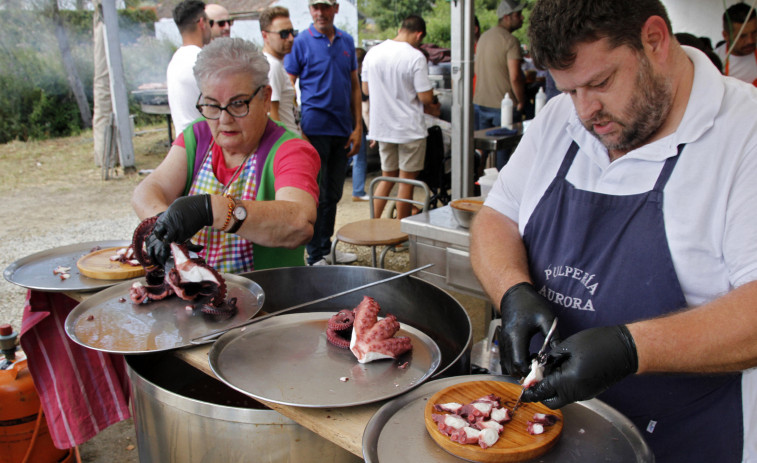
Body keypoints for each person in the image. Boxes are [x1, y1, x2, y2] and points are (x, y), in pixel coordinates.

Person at [470, 0, 757, 461]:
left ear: (655, 40)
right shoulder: (560, 120)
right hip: (547, 435)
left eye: (601, 83)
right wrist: (512, 291)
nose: (586, 111)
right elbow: (496, 217)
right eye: (569, 91)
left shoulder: (745, 133)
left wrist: (631, 348)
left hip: (683, 441)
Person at [133, 38, 319, 273]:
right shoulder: (198, 135)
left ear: (265, 98)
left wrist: (209, 209)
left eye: (238, 104)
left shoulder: (291, 150)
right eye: (212, 105)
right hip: (195, 296)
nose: (224, 119)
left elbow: (298, 224)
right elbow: (147, 190)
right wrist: (162, 224)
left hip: (267, 301)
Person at [284, 0, 362, 266]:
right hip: (313, 131)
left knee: (334, 194)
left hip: (342, 129)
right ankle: (314, 254)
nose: (320, 13)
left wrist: (358, 126)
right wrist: (296, 129)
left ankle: (325, 248)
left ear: (335, 8)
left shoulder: (347, 41)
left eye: (325, 7)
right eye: (315, 7)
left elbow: (354, 85)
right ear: (310, 10)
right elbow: (287, 88)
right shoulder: (301, 42)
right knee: (316, 195)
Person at [361, 15, 438, 220]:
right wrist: (432, 98)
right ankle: (399, 233)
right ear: (419, 34)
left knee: (387, 177)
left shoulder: (373, 53)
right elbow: (425, 97)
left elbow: (365, 89)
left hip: (383, 127)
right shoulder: (415, 56)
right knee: (406, 182)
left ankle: (373, 225)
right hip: (409, 129)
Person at [473, 0, 526, 168]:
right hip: (503, 106)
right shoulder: (510, 41)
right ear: (506, 17)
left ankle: (477, 183)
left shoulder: (483, 38)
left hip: (480, 103)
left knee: (481, 150)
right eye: (518, 14)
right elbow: (515, 76)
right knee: (503, 152)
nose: (522, 18)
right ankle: (500, 188)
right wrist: (522, 101)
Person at [167, 0, 211, 134]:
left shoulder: (176, 60)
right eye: (210, 22)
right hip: (203, 143)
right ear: (202, 23)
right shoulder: (202, 60)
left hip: (185, 141)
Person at [260, 6, 300, 135]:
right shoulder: (272, 66)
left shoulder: (275, 64)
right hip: (287, 144)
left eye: (292, 32)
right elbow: (273, 118)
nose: (290, 38)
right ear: (265, 35)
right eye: (283, 34)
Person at [715, 2, 757, 84]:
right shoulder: (715, 61)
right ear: (725, 35)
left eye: (754, 33)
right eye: (742, 36)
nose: (750, 40)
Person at [351, 47, 369, 202]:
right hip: (357, 123)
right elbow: (365, 104)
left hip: (343, 123)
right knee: (360, 159)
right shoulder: (358, 79)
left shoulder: (344, 76)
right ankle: (358, 191)